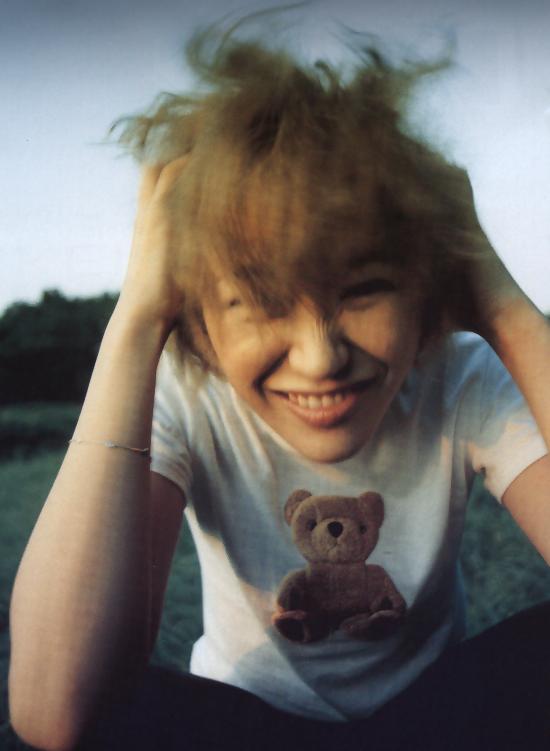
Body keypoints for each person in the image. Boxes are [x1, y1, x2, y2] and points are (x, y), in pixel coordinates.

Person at [7, 18, 550, 751]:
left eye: (363, 289)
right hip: (244, 723)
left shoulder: (455, 371)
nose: (319, 358)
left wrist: (501, 303)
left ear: (423, 290)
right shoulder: (188, 388)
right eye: (260, 301)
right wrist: (138, 316)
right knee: (92, 694)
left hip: (435, 719)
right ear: (200, 321)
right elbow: (53, 709)